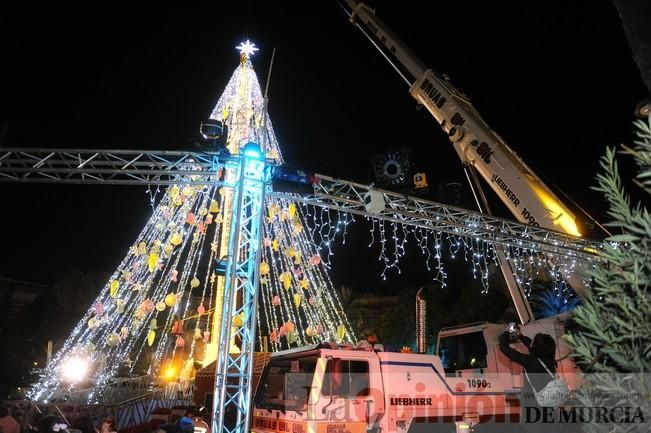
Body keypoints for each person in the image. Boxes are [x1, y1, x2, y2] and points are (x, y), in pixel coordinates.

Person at [499, 325, 558, 431]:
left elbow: (505, 349)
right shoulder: (551, 362)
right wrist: (520, 336)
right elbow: (536, 348)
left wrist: (506, 333)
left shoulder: (531, 362)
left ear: (536, 347)